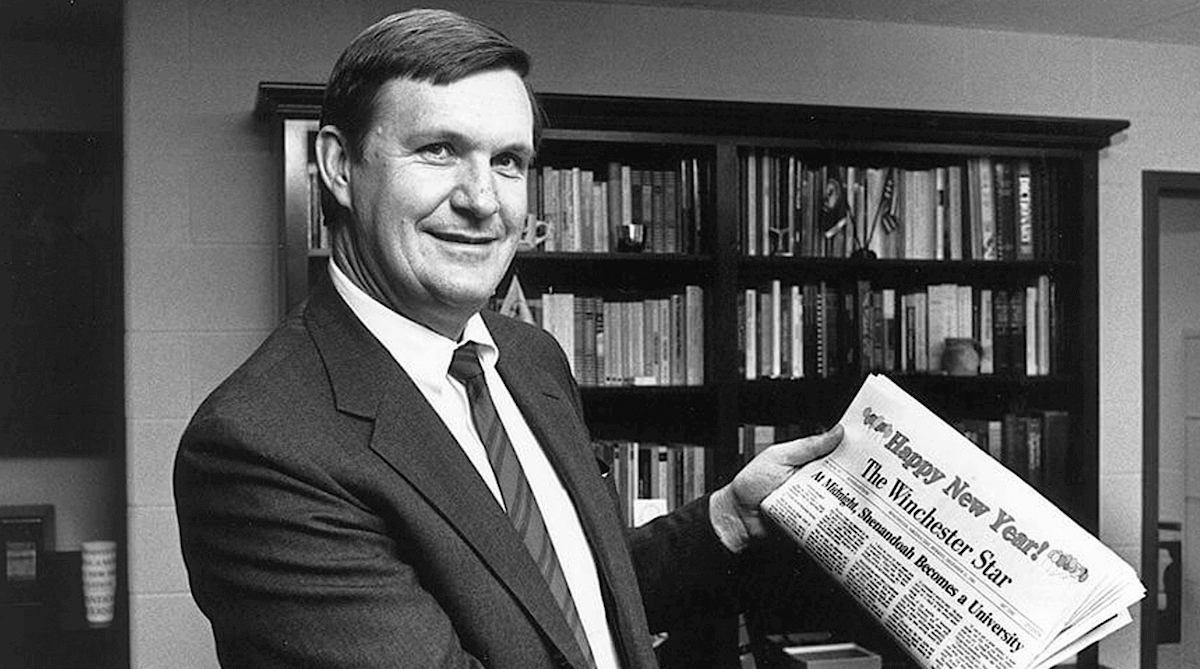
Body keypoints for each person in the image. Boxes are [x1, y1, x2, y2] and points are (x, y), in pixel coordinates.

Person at [174, 8, 843, 669]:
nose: (483, 200)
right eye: (439, 150)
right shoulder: (262, 445)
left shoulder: (529, 355)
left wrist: (727, 517)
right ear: (339, 166)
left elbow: (559, 606)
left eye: (508, 161)